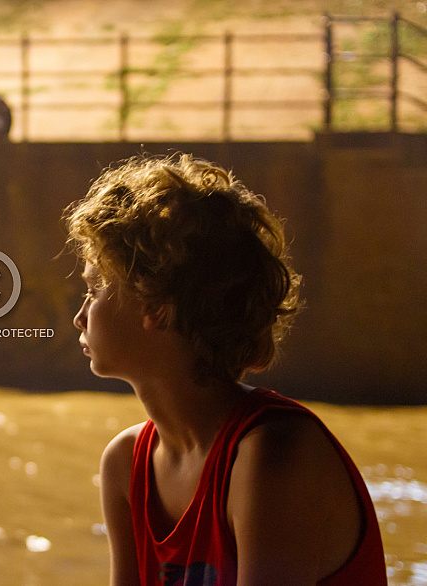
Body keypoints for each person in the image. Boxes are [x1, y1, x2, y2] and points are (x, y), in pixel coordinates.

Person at [64, 155, 387, 586]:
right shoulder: (125, 464)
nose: (80, 316)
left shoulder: (271, 456)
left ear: (156, 305)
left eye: (94, 289)